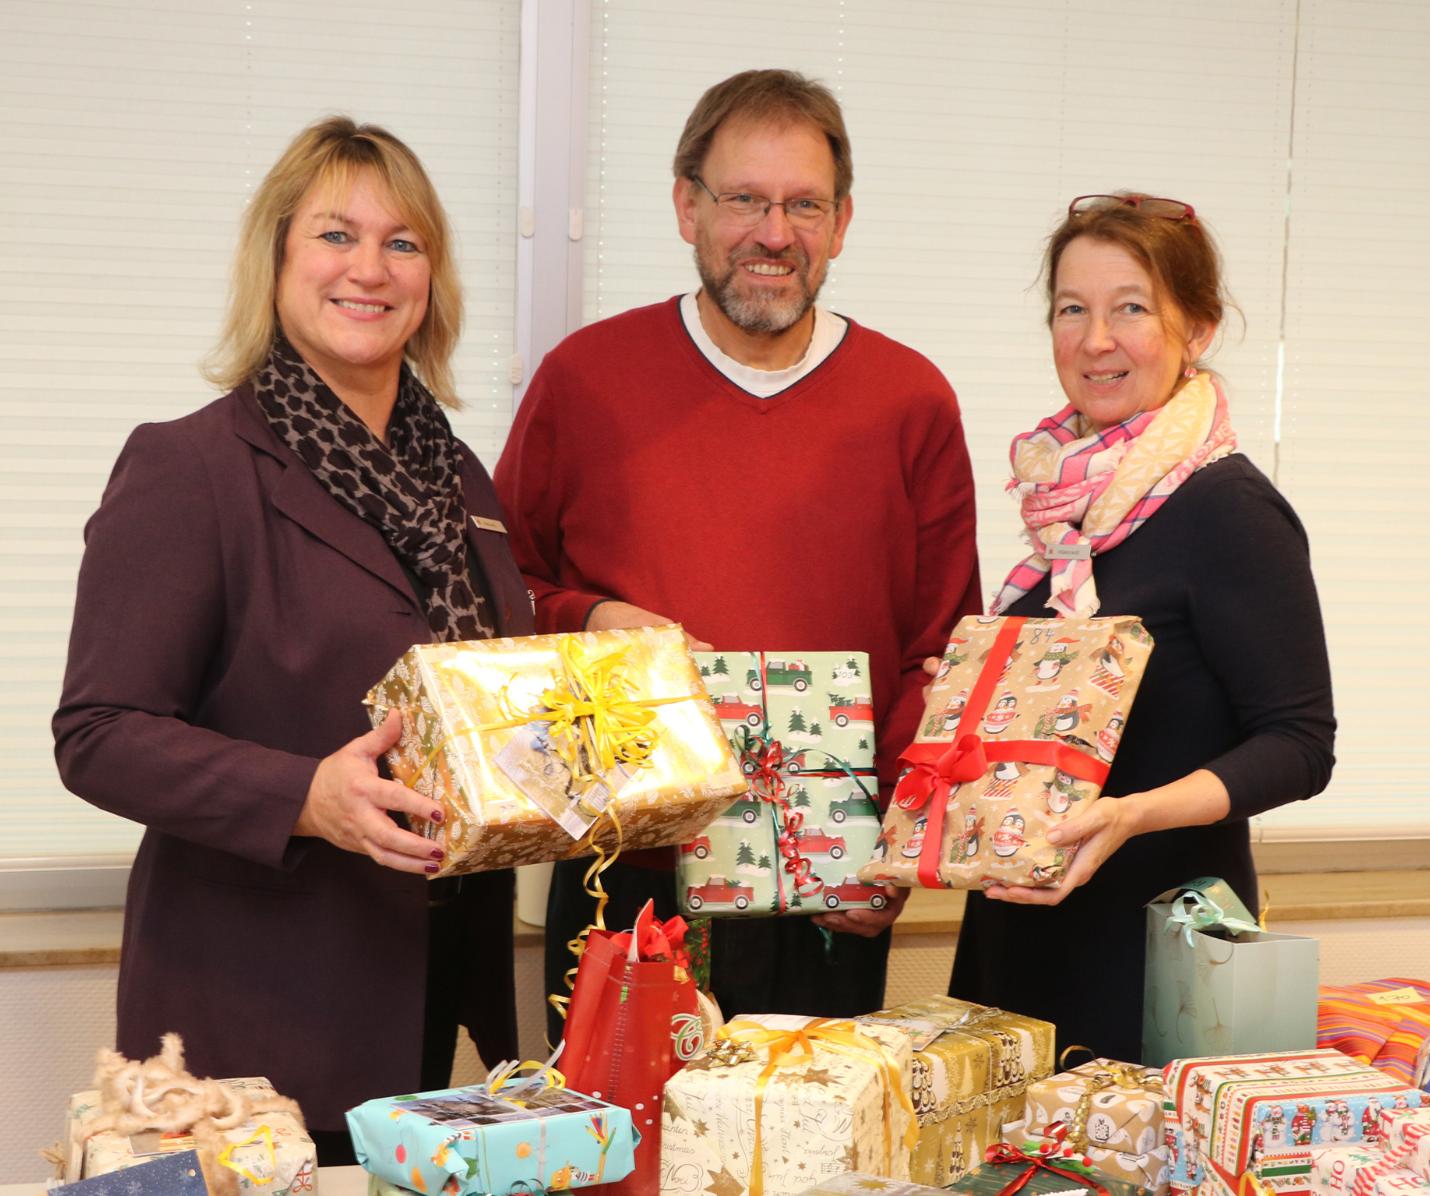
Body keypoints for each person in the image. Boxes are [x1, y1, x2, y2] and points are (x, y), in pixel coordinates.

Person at [53, 117, 532, 1162]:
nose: (369, 267)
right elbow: (97, 729)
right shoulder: (192, 467)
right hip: (257, 1019)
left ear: (431, 278)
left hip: (434, 995)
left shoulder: (458, 477)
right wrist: (303, 796)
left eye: (402, 242)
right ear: (275, 259)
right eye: (334, 235)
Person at [493, 69, 981, 1028]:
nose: (773, 232)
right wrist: (594, 617)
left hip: (830, 882)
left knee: (818, 1162)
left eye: (803, 204)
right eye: (744, 200)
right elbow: (501, 597)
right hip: (626, 877)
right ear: (686, 207)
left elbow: (944, 652)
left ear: (841, 222)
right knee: (620, 1165)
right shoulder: (586, 380)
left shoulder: (908, 400)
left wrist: (896, 839)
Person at [947, 192, 1335, 1061]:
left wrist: (1131, 815)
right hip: (1018, 940)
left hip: (1151, 951)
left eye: (1130, 308)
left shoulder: (1227, 509)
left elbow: (1300, 744)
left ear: (1195, 327)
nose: (1095, 340)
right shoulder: (1061, 513)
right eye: (1071, 310)